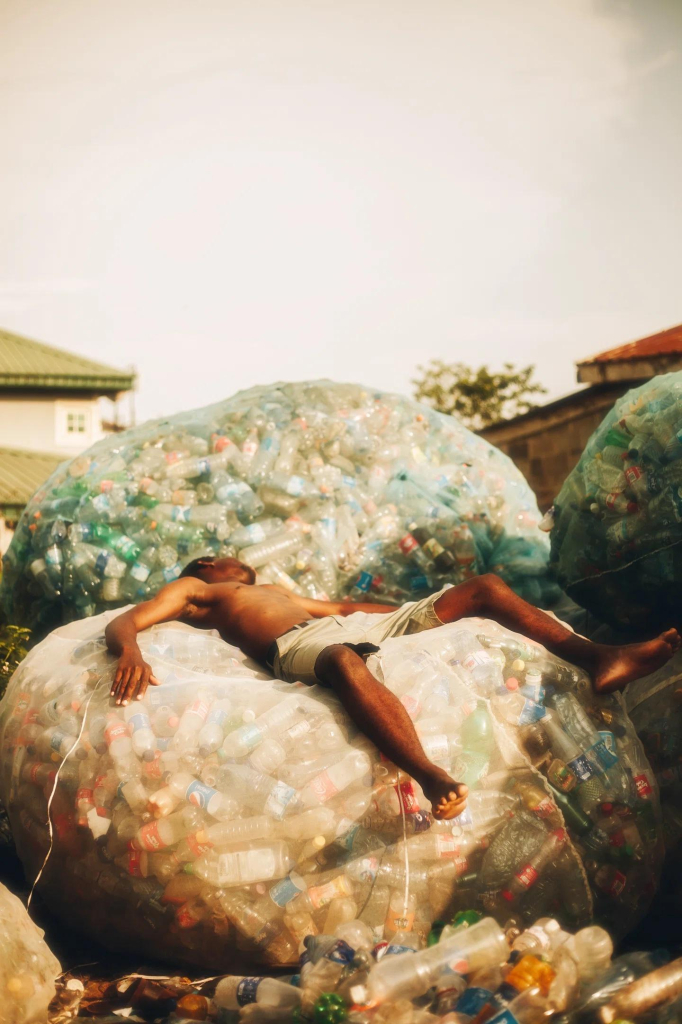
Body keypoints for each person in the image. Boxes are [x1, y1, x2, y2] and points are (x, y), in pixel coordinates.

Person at [105, 556, 681, 820]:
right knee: (341, 660)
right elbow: (129, 618)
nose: (241, 561)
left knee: (481, 587)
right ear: (209, 566)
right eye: (229, 556)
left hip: (348, 624)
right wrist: (129, 647)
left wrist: (421, 611)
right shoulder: (198, 588)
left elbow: (338, 606)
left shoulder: (273, 586)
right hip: (299, 646)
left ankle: (600, 656)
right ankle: (432, 775)